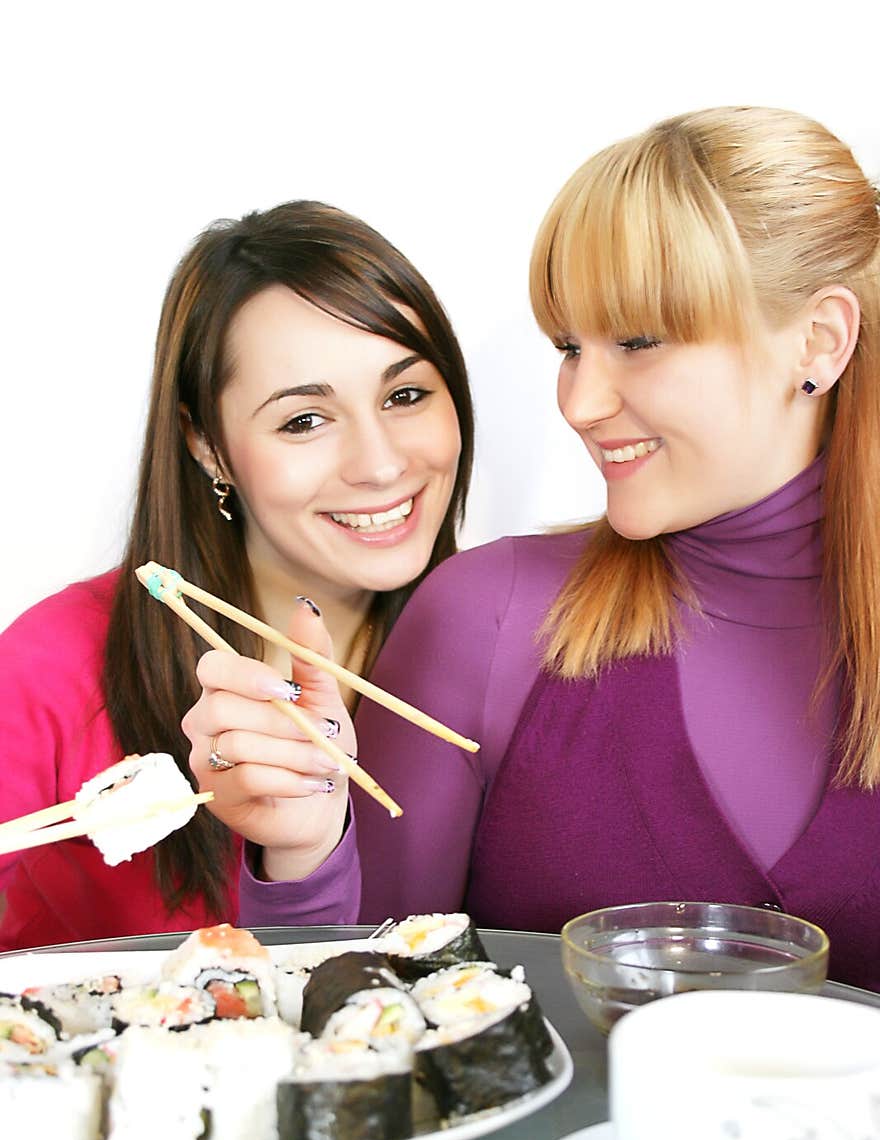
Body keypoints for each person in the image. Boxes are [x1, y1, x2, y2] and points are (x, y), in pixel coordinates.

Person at [186, 107, 880, 993]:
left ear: (818, 342)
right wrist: (303, 852)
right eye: (569, 347)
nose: (581, 402)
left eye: (638, 341)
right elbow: (353, 1010)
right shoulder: (488, 615)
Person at [0, 201, 473, 948]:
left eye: (405, 395)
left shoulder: (502, 647)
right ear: (205, 444)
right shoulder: (51, 667)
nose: (382, 464)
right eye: (304, 421)